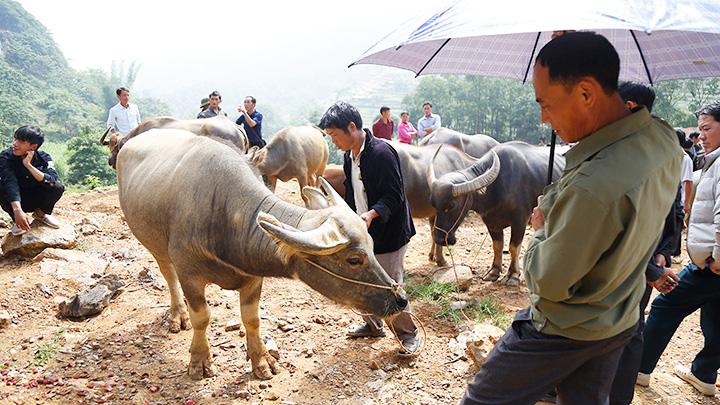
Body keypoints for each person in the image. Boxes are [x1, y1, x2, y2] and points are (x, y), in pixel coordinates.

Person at [461, 32, 680, 404]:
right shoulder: (661, 138)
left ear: (586, 93)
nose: (544, 118)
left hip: (564, 328)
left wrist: (542, 231)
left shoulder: (593, 186)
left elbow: (549, 283)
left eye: (546, 104)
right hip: (621, 317)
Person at [318, 101, 419, 356]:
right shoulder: (348, 156)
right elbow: (352, 192)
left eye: (335, 135)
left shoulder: (381, 154)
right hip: (365, 229)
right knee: (360, 278)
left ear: (351, 127)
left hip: (389, 232)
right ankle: (373, 324)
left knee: (390, 284)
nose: (333, 142)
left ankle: (408, 335)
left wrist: (371, 214)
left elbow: (394, 196)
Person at [638, 100, 720, 397]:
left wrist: (718, 258)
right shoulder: (711, 161)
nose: (701, 137)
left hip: (711, 264)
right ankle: (705, 373)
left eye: (707, 129)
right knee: (716, 314)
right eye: (699, 130)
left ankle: (639, 367)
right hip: (710, 260)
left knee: (664, 305)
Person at [608, 82, 682, 405]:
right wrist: (664, 253)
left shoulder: (631, 155)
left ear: (628, 107)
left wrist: (655, 263)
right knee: (628, 329)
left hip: (630, 264)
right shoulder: (663, 151)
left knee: (624, 330)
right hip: (644, 262)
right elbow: (674, 215)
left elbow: (628, 225)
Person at [0, 125, 64, 236]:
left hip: (36, 198)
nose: (15, 144)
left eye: (21, 142)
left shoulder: (44, 158)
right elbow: (10, 182)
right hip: (15, 200)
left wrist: (28, 166)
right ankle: (17, 221)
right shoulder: (5, 157)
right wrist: (17, 211)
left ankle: (40, 214)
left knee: (57, 187)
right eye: (15, 139)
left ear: (33, 147)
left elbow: (52, 180)